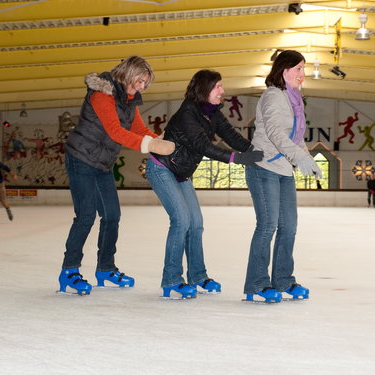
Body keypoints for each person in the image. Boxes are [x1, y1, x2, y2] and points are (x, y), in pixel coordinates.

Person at [59, 56, 175, 295]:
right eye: (141, 80)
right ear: (129, 74)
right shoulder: (102, 93)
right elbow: (115, 131)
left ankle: (105, 268)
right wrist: (150, 146)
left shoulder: (129, 100)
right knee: (86, 216)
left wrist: (160, 140)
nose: (143, 86)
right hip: (81, 157)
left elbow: (139, 129)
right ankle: (69, 270)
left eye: (146, 83)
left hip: (102, 163)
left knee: (112, 215)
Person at [146, 69, 263, 299]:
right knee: (181, 221)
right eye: (218, 86)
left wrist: (252, 151)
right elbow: (203, 146)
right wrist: (236, 158)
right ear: (205, 89)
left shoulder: (212, 113)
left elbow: (229, 134)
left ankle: (198, 276)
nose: (223, 91)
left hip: (182, 172)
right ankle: (171, 280)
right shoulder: (187, 115)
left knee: (196, 224)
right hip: (162, 168)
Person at [243, 50, 322, 303]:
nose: (303, 74)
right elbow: (277, 134)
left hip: (284, 169)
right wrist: (300, 158)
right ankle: (257, 284)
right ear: (284, 70)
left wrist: (307, 157)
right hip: (264, 167)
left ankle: (283, 280)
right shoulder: (273, 96)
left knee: (289, 227)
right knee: (267, 226)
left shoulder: (294, 98)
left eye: (304, 68)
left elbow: (295, 138)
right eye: (299, 68)